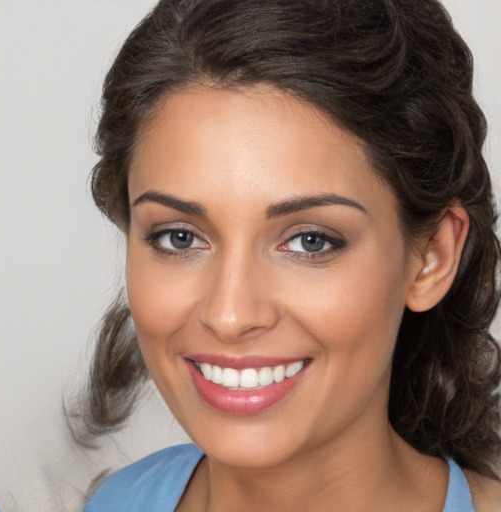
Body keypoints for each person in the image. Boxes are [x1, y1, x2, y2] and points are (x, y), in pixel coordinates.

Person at [76, 0, 501, 510]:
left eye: (310, 241)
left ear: (431, 257)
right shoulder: (116, 501)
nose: (230, 315)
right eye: (180, 238)